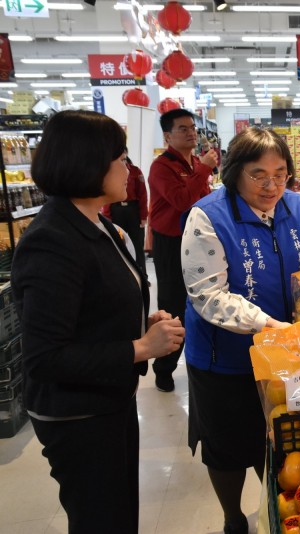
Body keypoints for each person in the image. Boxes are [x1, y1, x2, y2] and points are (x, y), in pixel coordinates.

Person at [11, 110, 185, 534]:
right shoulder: (52, 241)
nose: (129, 168)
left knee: (119, 512)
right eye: (121, 158)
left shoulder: (97, 223)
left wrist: (140, 320)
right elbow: (45, 357)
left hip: (107, 399)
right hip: (77, 416)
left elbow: (90, 305)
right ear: (88, 163)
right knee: (100, 518)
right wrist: (142, 347)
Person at [181, 127, 300, 534]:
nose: (271, 184)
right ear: (234, 173)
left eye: (280, 173)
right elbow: (208, 294)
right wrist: (268, 325)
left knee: (282, 441)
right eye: (258, 174)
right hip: (223, 356)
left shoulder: (299, 206)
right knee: (227, 446)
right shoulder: (208, 215)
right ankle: (232, 517)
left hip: (285, 356)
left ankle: (276, 511)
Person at [148, 108, 219, 393]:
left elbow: (201, 200)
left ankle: (198, 360)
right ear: (167, 135)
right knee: (174, 305)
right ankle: (163, 368)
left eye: (193, 127)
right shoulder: (161, 166)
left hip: (197, 240)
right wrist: (204, 169)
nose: (191, 133)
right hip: (171, 242)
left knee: (204, 298)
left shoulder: (192, 164)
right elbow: (180, 200)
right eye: (183, 129)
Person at [101, 149, 148, 272]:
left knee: (137, 244)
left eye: (123, 158)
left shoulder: (135, 171)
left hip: (133, 210)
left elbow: (142, 194)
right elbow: (108, 195)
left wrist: (143, 216)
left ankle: (142, 273)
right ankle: (121, 272)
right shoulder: (110, 171)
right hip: (116, 210)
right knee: (117, 243)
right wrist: (107, 216)